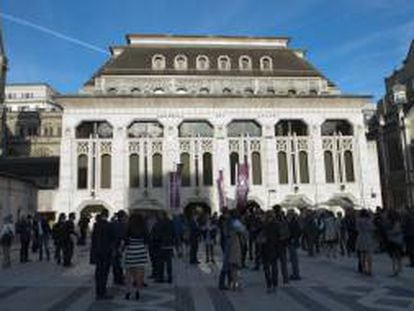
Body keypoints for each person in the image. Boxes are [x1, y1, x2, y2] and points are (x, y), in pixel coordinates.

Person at [123, 213, 149, 300]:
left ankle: (128, 291)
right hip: (141, 250)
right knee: (140, 272)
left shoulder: (128, 228)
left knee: (128, 272)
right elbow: (146, 241)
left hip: (131, 250)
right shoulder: (143, 228)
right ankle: (138, 291)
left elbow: (125, 241)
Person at [91, 209, 115, 300]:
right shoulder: (109, 225)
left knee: (98, 273)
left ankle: (98, 292)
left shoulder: (96, 225)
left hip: (97, 253)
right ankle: (103, 292)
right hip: (106, 253)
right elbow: (113, 239)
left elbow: (93, 241)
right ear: (107, 215)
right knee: (104, 274)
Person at [153, 212, 175, 283]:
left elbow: (155, 234)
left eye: (159, 215)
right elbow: (173, 233)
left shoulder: (159, 223)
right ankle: (169, 277)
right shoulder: (171, 222)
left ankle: (160, 278)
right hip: (169, 245)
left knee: (160, 263)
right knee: (169, 263)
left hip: (161, 245)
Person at [228, 210, 247, 291]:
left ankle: (233, 283)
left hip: (230, 245)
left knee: (232, 265)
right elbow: (243, 230)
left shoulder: (229, 222)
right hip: (235, 245)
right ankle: (236, 283)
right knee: (236, 265)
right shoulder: (235, 222)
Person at [355, 209, 375, 276]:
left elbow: (357, 228)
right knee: (369, 254)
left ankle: (363, 269)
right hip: (368, 237)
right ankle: (370, 269)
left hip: (361, 236)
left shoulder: (358, 220)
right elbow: (372, 228)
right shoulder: (369, 220)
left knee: (362, 254)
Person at [385, 210, 404, 277]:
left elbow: (396, 231)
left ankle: (396, 269)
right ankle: (398, 268)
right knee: (397, 255)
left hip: (393, 241)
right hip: (397, 241)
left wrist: (389, 233)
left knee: (394, 255)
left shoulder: (394, 223)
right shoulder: (398, 222)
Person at [112, 210, 128, 285]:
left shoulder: (113, 224)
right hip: (119, 246)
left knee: (115, 264)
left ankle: (116, 278)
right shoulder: (123, 225)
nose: (126, 218)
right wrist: (121, 248)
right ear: (122, 217)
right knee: (119, 263)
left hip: (113, 246)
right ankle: (119, 279)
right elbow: (123, 238)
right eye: (125, 217)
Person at [218, 209, 231, 290]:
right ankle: (222, 283)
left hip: (226, 243)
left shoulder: (224, 221)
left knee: (229, 264)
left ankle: (230, 282)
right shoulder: (225, 222)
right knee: (226, 264)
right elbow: (225, 233)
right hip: (227, 244)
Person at [287, 209, 301, 280]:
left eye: (289, 214)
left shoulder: (293, 222)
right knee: (293, 259)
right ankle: (295, 273)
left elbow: (297, 232)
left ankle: (296, 274)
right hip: (292, 242)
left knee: (294, 259)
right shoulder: (293, 222)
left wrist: (293, 239)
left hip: (293, 242)